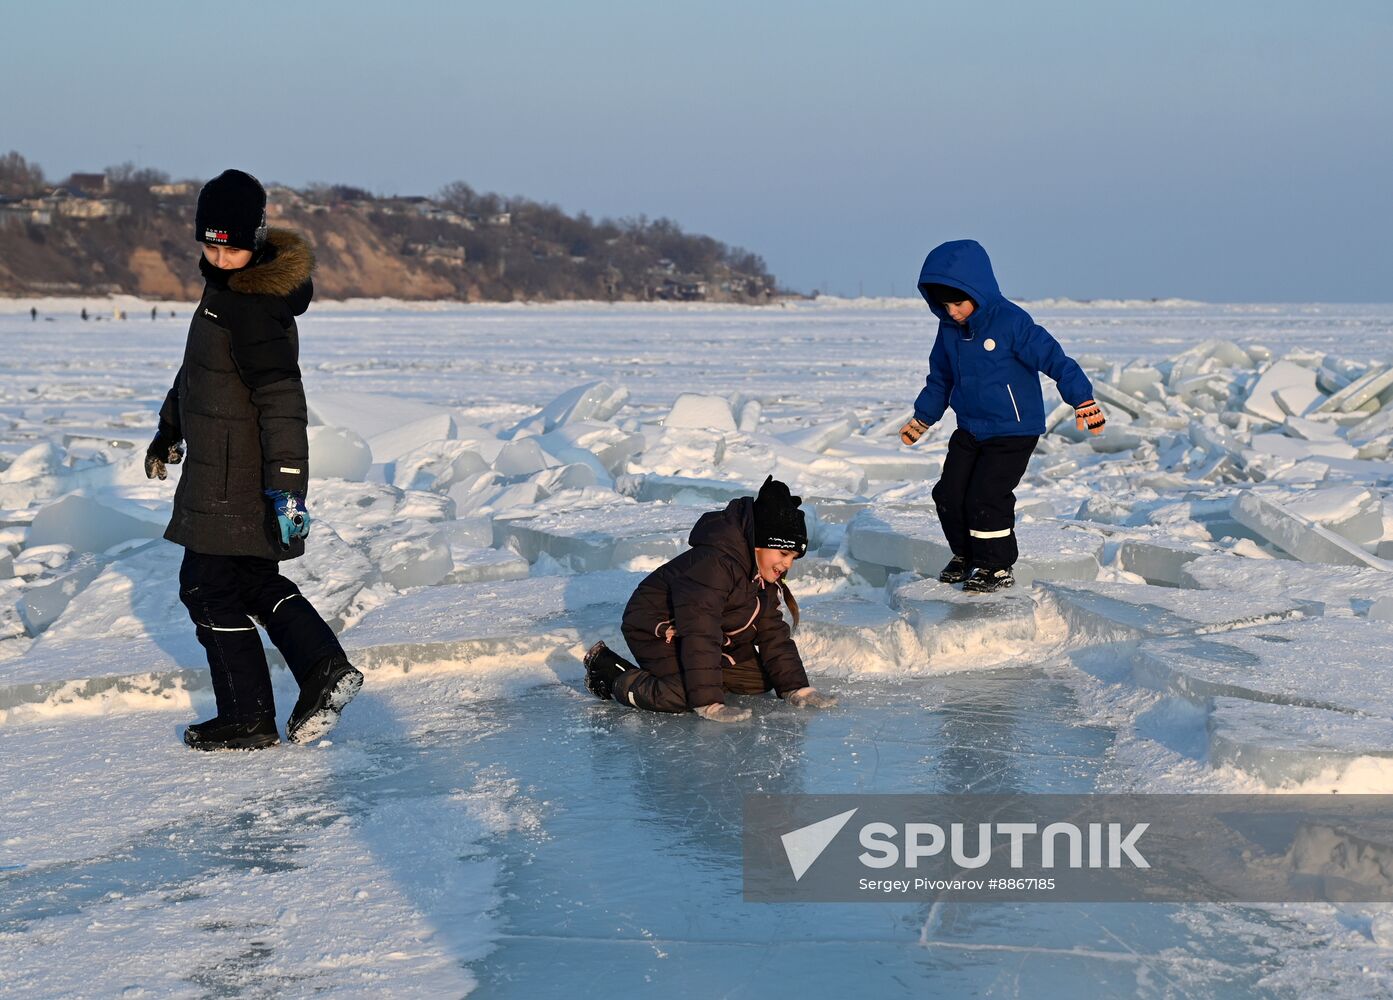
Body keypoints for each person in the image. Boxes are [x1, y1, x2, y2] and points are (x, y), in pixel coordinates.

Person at [145, 168, 363, 751]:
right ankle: (318, 670)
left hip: (233, 474)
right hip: (219, 465)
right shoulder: (228, 291)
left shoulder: (252, 306)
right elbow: (197, 375)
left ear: (257, 238)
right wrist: (169, 430)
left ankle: (254, 710)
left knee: (207, 586)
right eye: (211, 243)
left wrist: (288, 487)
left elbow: (283, 401)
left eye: (233, 245)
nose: (219, 255)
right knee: (245, 578)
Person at [899, 239, 1104, 593]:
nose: (952, 312)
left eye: (958, 303)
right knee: (948, 493)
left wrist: (1082, 400)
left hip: (1013, 429)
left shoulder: (1012, 322)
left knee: (986, 496)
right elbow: (941, 378)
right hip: (971, 427)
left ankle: (995, 565)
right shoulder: (948, 329)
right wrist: (923, 417)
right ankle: (966, 555)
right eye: (944, 305)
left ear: (977, 291)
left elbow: (1056, 359)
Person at [583, 476, 835, 722]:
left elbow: (773, 633)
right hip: (657, 626)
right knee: (684, 695)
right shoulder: (714, 566)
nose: (787, 564)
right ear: (759, 543)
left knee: (761, 680)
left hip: (700, 632)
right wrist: (709, 702)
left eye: (793, 558)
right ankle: (610, 673)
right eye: (783, 553)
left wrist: (796, 688)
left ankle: (697, 675)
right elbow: (701, 631)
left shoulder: (759, 576)